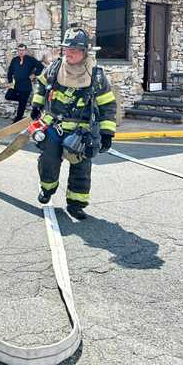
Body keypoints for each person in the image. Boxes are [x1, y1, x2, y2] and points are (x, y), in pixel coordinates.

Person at [31, 27, 117, 220]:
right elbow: (42, 85)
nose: (68, 53)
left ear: (85, 52)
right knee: (48, 161)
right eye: (66, 49)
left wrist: (107, 133)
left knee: (81, 169)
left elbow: (108, 105)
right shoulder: (54, 68)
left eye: (74, 50)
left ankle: (76, 204)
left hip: (82, 131)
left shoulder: (96, 76)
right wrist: (37, 104)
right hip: (54, 126)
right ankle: (47, 190)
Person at [6, 44, 44, 122]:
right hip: (16, 85)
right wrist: (10, 82)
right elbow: (10, 71)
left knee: (21, 106)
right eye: (19, 50)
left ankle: (17, 121)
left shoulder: (30, 59)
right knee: (8, 96)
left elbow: (40, 66)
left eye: (23, 50)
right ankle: (22, 100)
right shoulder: (15, 60)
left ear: (25, 51)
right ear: (18, 51)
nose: (21, 52)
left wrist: (34, 74)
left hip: (26, 86)